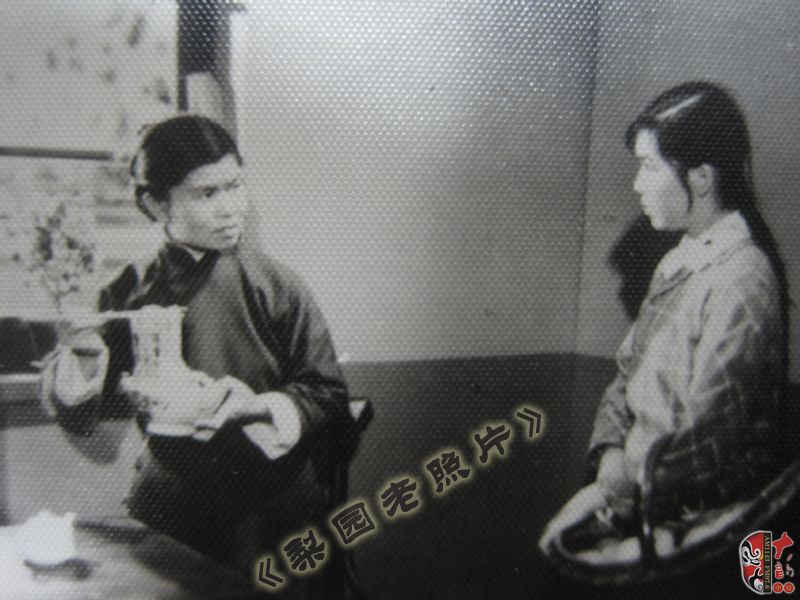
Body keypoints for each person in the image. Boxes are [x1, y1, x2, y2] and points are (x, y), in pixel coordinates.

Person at [41, 115, 359, 598]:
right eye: (207, 194)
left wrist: (253, 406)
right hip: (166, 504)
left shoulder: (278, 286)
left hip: (270, 507)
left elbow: (328, 393)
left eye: (235, 186)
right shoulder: (125, 291)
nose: (231, 208)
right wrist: (84, 356)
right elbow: (84, 419)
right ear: (155, 203)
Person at [539, 81, 790, 560]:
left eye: (649, 166)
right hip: (637, 498)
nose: (637, 184)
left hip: (704, 523)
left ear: (701, 178)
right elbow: (626, 376)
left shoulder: (743, 283)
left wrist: (623, 501)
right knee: (556, 545)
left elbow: (708, 445)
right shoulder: (679, 263)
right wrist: (610, 458)